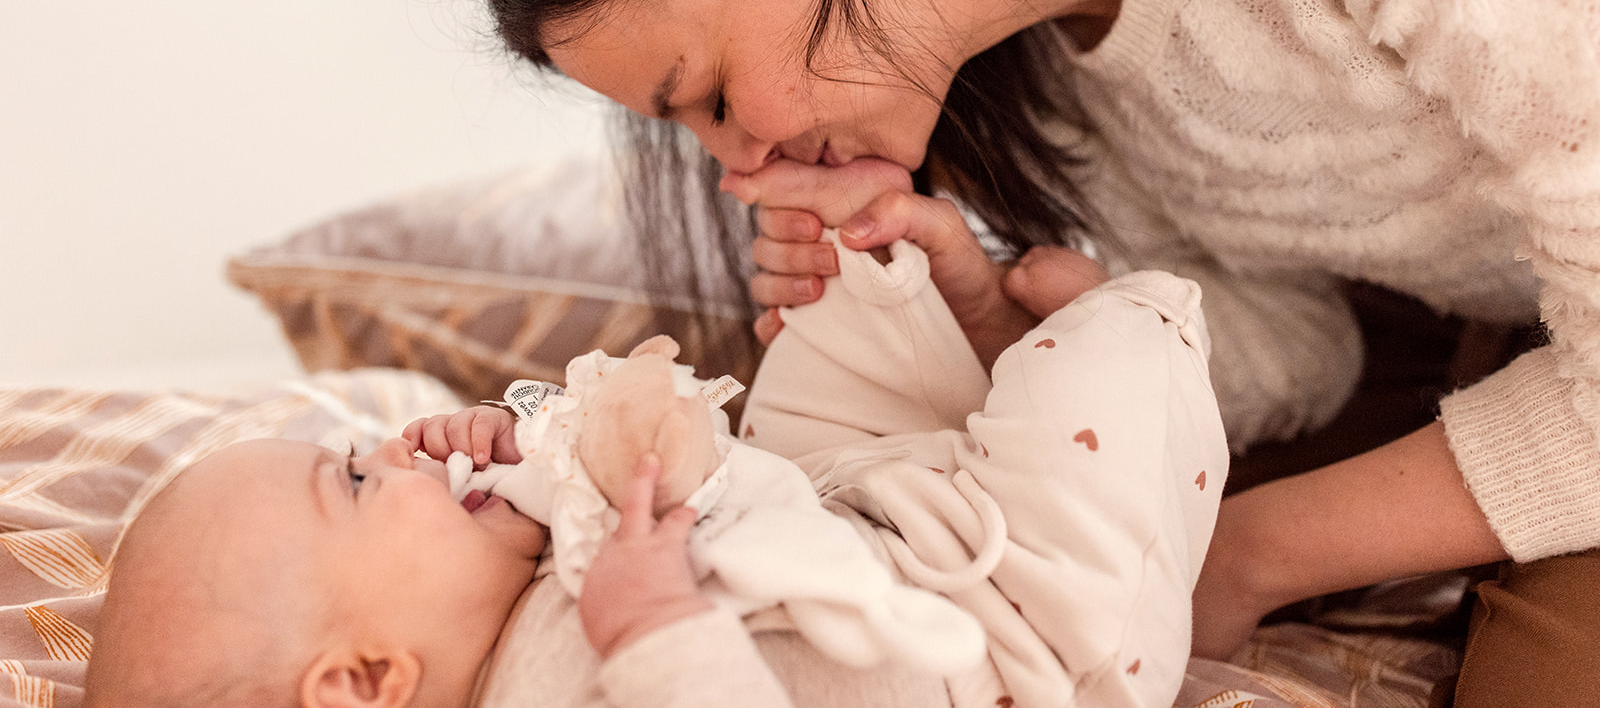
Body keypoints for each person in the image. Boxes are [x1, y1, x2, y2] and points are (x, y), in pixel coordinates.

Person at [479, 0, 1600, 702]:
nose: (740, 173)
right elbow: (1309, 342)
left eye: (714, 98)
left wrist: (1257, 554)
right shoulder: (1011, 65)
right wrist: (1002, 323)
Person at [81, 226, 1231, 708]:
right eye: (359, 481)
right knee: (1102, 398)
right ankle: (1106, 334)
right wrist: (658, 635)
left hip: (839, 525)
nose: (398, 448)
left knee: (814, 353)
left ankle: (965, 352)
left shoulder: (488, 610)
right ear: (363, 679)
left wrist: (524, 449)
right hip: (1004, 641)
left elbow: (633, 469)